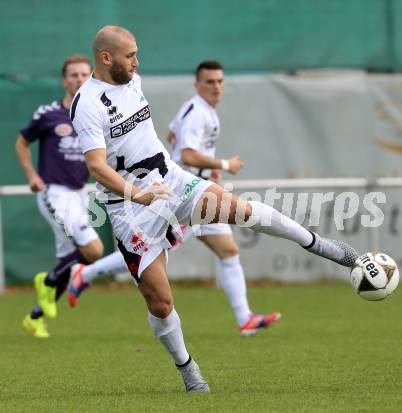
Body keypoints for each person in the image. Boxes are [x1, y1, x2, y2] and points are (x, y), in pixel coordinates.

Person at [71, 25, 359, 393]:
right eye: (130, 55)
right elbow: (97, 166)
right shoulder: (87, 104)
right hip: (130, 208)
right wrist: (137, 194)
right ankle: (188, 369)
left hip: (171, 179)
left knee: (242, 211)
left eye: (136, 54)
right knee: (160, 304)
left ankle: (323, 246)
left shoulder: (132, 80)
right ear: (106, 57)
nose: (137, 61)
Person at [68, 60, 281, 336]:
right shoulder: (198, 113)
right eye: (210, 82)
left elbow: (173, 133)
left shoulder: (200, 111)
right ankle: (85, 273)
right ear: (197, 84)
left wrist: (206, 169)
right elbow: (189, 154)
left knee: (228, 250)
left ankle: (245, 318)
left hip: (197, 187)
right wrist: (223, 165)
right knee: (152, 251)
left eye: (220, 81)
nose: (216, 87)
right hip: (182, 194)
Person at [16, 54, 104, 339]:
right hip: (54, 193)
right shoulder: (48, 113)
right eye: (74, 75)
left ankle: (35, 318)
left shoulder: (93, 113)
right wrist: (32, 175)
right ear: (64, 80)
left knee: (73, 263)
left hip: (79, 194)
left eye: (84, 74)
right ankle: (48, 280)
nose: (79, 79)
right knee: (93, 250)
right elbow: (22, 143)